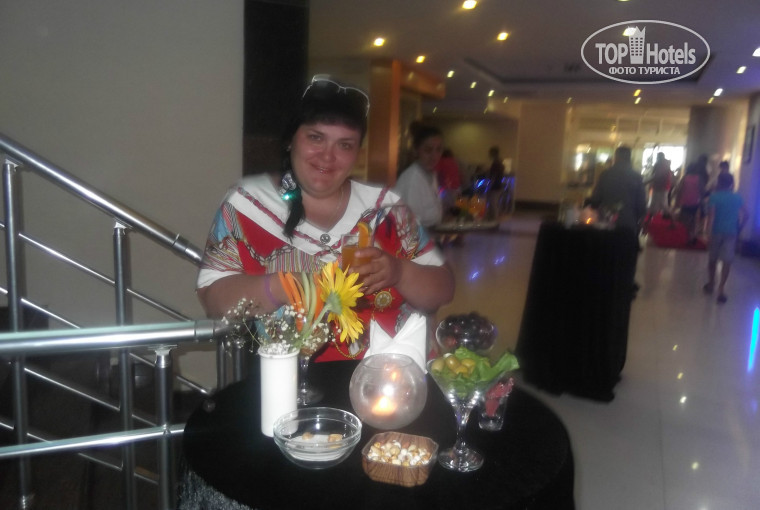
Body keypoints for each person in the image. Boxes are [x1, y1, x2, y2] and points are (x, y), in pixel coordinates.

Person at [196, 75, 455, 360]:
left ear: (357, 153)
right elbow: (213, 300)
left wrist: (400, 272)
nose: (328, 156)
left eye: (345, 145)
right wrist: (283, 286)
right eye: (316, 138)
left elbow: (443, 289)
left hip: (390, 374)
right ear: (290, 140)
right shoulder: (247, 206)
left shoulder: (387, 209)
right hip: (289, 377)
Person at [703, 172, 747, 304]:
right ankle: (721, 289)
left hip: (716, 232)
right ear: (731, 183)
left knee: (713, 259)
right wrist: (740, 227)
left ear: (719, 182)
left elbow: (711, 217)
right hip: (731, 232)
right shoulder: (737, 197)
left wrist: (707, 233)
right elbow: (747, 214)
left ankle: (711, 284)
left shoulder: (714, 197)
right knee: (727, 261)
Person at [394, 123, 444, 228]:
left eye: (438, 150)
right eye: (428, 150)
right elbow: (409, 224)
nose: (434, 156)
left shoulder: (431, 175)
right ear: (416, 150)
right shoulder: (411, 179)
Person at [590, 146, 647, 234]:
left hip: (607, 220)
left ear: (616, 157)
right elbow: (641, 202)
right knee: (626, 242)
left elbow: (596, 198)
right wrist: (640, 218)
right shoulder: (636, 177)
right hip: (629, 221)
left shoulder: (605, 175)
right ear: (629, 158)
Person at [674, 157, 708, 244]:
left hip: (685, 202)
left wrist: (677, 201)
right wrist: (702, 200)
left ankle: (686, 235)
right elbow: (702, 191)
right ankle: (692, 236)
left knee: (685, 219)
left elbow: (679, 190)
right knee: (693, 220)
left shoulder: (684, 178)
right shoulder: (699, 178)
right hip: (695, 202)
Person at [645, 152, 672, 218]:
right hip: (664, 187)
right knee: (662, 205)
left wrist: (646, 182)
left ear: (658, 157)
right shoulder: (666, 164)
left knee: (656, 204)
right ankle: (649, 220)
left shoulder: (659, 164)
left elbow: (655, 176)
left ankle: (649, 219)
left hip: (658, 187)